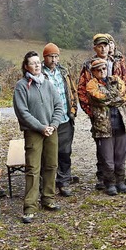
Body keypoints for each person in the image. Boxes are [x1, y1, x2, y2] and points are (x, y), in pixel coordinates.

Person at [78, 34, 126, 189]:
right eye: (100, 46)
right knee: (104, 148)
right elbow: (83, 91)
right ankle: (104, 178)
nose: (103, 48)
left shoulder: (120, 60)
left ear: (110, 46)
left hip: (121, 111)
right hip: (100, 115)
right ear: (95, 48)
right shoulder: (88, 65)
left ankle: (120, 178)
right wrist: (91, 112)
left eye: (105, 45)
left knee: (121, 147)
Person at [13, 51, 63, 223]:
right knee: (33, 169)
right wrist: (41, 127)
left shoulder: (48, 84)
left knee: (51, 165)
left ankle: (48, 199)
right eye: (32, 63)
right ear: (26, 66)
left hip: (51, 131)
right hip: (34, 132)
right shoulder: (21, 86)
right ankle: (30, 207)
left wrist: (53, 125)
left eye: (38, 63)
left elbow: (59, 106)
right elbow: (22, 112)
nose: (36, 65)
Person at [86, 58, 126, 196]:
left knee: (121, 156)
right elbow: (99, 98)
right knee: (107, 159)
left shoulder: (116, 80)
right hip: (103, 127)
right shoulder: (91, 85)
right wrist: (114, 97)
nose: (102, 72)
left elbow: (124, 96)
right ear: (93, 72)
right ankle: (110, 183)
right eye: (98, 70)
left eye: (104, 68)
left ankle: (120, 181)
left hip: (121, 124)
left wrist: (110, 98)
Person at [41, 43, 78, 197]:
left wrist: (73, 109)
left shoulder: (63, 72)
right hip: (47, 120)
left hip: (65, 118)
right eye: (51, 56)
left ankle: (63, 181)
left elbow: (72, 90)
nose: (54, 59)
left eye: (56, 56)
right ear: (45, 57)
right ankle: (47, 183)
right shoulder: (40, 73)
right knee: (48, 153)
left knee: (65, 151)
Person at [105, 34, 126, 172]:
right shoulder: (101, 62)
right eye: (107, 44)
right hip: (109, 104)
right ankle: (114, 165)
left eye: (111, 43)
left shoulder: (123, 60)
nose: (110, 46)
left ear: (114, 45)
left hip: (125, 102)